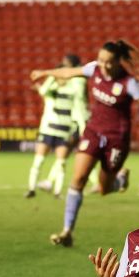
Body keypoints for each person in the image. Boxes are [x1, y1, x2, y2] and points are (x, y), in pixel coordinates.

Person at [30, 39, 139, 247]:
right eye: (101, 60)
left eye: (108, 62)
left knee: (103, 189)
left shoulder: (130, 84)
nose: (104, 65)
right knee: (78, 178)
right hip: (93, 132)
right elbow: (68, 72)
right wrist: (45, 72)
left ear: (118, 62)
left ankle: (118, 181)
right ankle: (67, 231)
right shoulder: (94, 69)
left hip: (117, 140)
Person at [26, 54, 87, 199]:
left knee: (61, 163)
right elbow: (42, 90)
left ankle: (57, 192)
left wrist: (78, 126)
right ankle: (31, 189)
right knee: (39, 160)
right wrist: (51, 76)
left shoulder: (73, 89)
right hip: (47, 129)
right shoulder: (50, 90)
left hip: (64, 131)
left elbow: (78, 107)